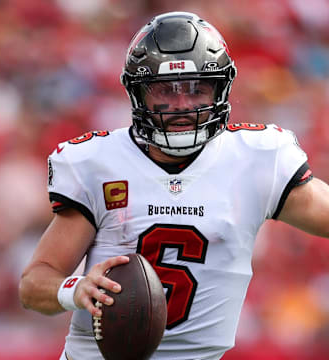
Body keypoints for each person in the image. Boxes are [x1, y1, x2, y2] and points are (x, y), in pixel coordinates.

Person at [19, 11, 329, 360]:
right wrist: (75, 290)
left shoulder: (256, 159)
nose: (181, 105)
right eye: (165, 89)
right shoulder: (99, 164)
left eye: (197, 89)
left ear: (220, 89)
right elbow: (34, 285)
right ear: (139, 94)